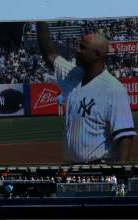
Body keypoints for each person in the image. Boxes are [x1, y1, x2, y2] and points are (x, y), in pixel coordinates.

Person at [37, 22, 135, 163]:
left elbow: (124, 136)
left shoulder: (114, 89)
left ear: (96, 55)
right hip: (72, 168)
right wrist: (40, 18)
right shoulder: (72, 74)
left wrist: (120, 176)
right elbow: (49, 54)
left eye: (82, 48)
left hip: (98, 169)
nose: (76, 50)